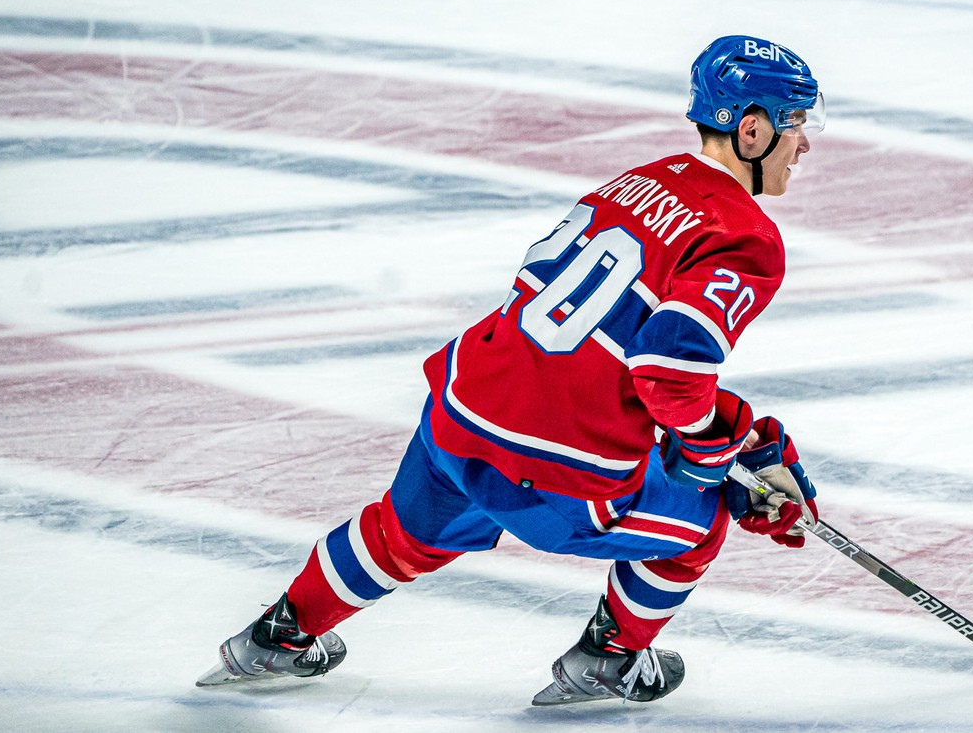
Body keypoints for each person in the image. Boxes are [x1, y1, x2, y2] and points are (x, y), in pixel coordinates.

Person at [197, 34, 826, 706]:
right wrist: (717, 458)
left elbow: (603, 342)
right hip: (553, 463)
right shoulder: (744, 235)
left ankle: (277, 635)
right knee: (699, 520)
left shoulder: (636, 181)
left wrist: (741, 438)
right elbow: (668, 370)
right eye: (794, 123)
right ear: (751, 130)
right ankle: (610, 657)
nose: (804, 145)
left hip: (464, 406)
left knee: (403, 532)